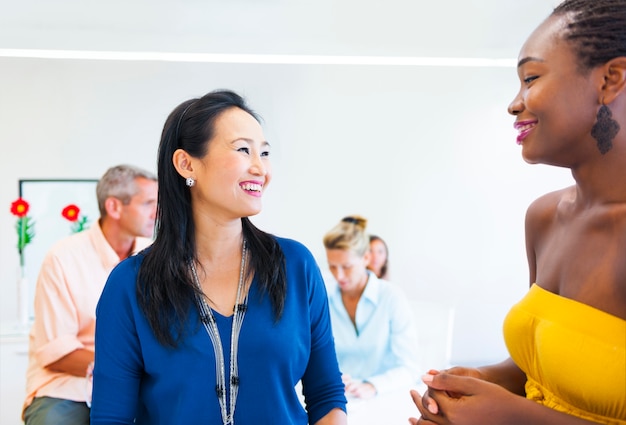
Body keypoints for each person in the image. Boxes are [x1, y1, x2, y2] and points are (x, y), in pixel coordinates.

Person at [411, 0, 626, 423]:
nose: (514, 104)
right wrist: (483, 380)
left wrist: (512, 418)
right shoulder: (544, 217)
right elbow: (544, 369)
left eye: (530, 78)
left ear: (610, 79)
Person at [90, 89, 347, 424]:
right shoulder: (131, 284)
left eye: (264, 153)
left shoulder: (295, 265)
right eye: (243, 149)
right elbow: (112, 417)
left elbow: (326, 394)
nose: (261, 168)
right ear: (186, 163)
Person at [22, 164, 158, 425]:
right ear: (114, 207)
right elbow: (58, 354)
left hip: (139, 384)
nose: (158, 212)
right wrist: (129, 367)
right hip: (68, 389)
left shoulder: (155, 258)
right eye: (148, 203)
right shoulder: (62, 257)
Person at [323, 215, 419, 399]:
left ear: (366, 257)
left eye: (347, 266)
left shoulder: (391, 297)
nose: (339, 275)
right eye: (332, 267)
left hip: (384, 396)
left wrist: (372, 385)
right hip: (339, 396)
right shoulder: (324, 297)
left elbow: (409, 368)